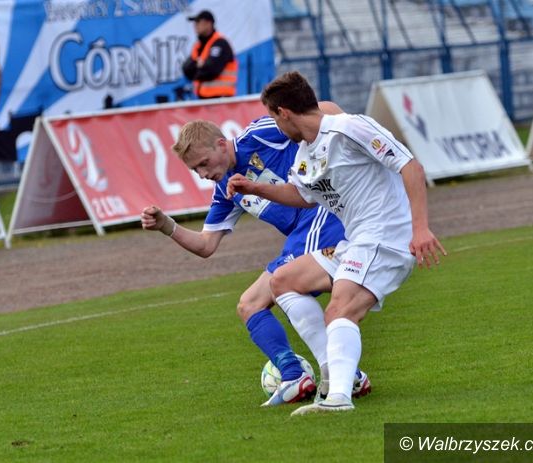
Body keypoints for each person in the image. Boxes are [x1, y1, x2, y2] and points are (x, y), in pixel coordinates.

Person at [227, 71, 446, 415]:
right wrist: (255, 188)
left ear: (284, 112)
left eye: (274, 117)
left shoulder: (348, 128)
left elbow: (410, 166)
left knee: (340, 310)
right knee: (283, 281)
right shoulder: (305, 153)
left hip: (386, 237)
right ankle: (335, 372)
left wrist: (420, 228)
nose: (276, 126)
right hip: (356, 241)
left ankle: (339, 398)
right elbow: (302, 196)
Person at [141, 110, 371, 406]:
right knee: (249, 304)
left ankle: (334, 375)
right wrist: (166, 226)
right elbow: (206, 245)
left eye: (204, 163)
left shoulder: (259, 134)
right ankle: (302, 373)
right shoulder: (226, 189)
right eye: (195, 170)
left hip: (324, 216)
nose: (202, 174)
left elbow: (311, 112)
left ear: (221, 144)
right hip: (302, 236)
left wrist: (348, 126)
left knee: (282, 283)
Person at [181, 10, 237, 99]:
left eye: (198, 22)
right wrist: (200, 65)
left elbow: (211, 70)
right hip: (204, 99)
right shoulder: (198, 45)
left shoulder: (220, 43)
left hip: (222, 99)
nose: (195, 25)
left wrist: (198, 67)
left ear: (209, 24)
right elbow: (187, 69)